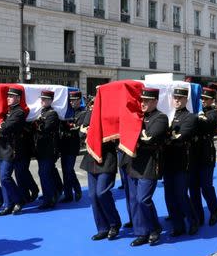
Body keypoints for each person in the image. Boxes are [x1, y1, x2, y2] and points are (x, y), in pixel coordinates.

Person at [123, 88, 168, 246]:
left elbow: (150, 138)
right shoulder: (138, 117)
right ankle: (141, 232)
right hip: (134, 163)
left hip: (149, 164)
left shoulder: (161, 118)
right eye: (142, 100)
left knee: (143, 199)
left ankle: (155, 228)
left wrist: (136, 135)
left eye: (147, 101)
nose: (143, 103)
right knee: (134, 200)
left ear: (155, 101)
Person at [80, 108, 122, 241]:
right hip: (92, 157)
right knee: (93, 196)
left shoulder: (113, 113)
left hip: (107, 158)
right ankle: (102, 228)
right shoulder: (91, 112)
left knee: (102, 192)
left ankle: (114, 223)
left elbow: (118, 137)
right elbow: (81, 133)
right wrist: (90, 132)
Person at [164, 87, 199, 237]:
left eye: (180, 98)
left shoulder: (190, 117)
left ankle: (192, 221)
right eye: (175, 98)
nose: (177, 100)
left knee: (181, 195)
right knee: (169, 196)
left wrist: (163, 138)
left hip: (181, 161)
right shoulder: (168, 116)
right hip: (167, 161)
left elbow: (182, 136)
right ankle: (178, 225)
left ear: (186, 100)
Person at [189, 87, 217, 227]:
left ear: (212, 100)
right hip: (193, 154)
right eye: (201, 98)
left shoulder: (214, 113)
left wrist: (196, 115)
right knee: (193, 187)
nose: (203, 101)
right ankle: (198, 215)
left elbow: (207, 124)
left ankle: (214, 211)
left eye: (206, 99)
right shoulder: (194, 112)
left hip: (206, 153)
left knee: (206, 186)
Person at [0, 88, 26, 216]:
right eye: (7, 96)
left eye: (11, 96)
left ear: (18, 98)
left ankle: (19, 200)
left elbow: (5, 128)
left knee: (5, 176)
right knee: (3, 178)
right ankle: (8, 205)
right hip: (2, 148)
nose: (8, 98)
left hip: (10, 148)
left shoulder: (19, 112)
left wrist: (1, 125)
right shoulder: (8, 112)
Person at [33, 90, 60, 209]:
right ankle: (53, 193)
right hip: (41, 148)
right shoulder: (42, 112)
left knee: (45, 173)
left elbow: (45, 129)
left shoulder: (52, 114)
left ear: (50, 100)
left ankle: (50, 199)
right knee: (45, 173)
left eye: (45, 99)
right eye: (42, 99)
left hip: (49, 149)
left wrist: (36, 123)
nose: (42, 101)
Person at [59, 91, 84, 203]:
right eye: (71, 100)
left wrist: (67, 125)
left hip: (73, 145)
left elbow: (77, 128)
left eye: (74, 100)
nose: (72, 102)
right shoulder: (68, 112)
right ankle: (68, 194)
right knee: (65, 170)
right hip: (64, 144)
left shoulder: (83, 113)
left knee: (69, 169)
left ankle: (77, 188)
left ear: (79, 100)